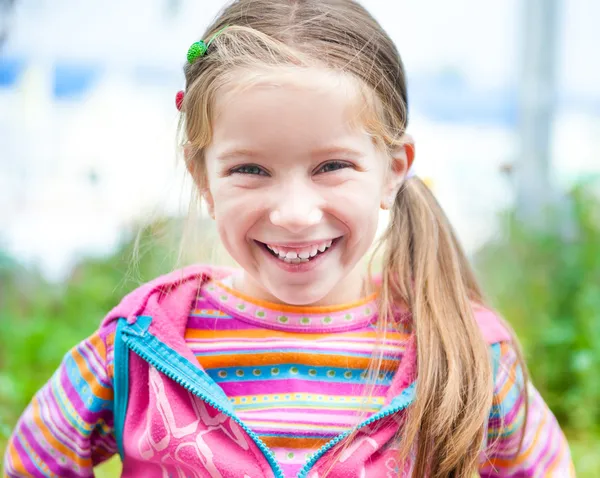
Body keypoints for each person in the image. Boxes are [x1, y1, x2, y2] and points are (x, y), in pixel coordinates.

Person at [3, 1, 575, 476]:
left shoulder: (464, 350)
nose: (296, 214)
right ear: (203, 177)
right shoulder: (139, 342)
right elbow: (34, 460)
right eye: (250, 170)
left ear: (394, 168)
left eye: (332, 166)